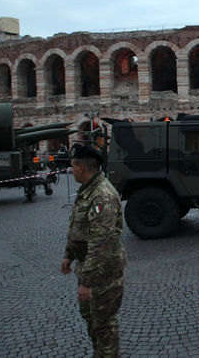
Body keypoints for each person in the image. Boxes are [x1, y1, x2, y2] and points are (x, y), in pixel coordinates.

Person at [61, 144, 127, 357]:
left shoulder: (102, 196)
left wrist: (87, 282)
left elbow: (101, 244)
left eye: (72, 166)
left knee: (104, 324)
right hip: (88, 267)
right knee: (91, 319)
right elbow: (79, 228)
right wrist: (68, 254)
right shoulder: (87, 190)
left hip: (102, 272)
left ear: (81, 167)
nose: (71, 170)